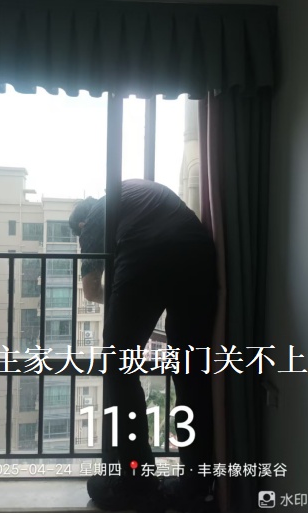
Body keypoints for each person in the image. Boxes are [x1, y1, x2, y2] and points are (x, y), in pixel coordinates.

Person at [69, 179, 217, 512]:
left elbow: (91, 290)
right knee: (190, 372)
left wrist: (127, 299)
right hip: (198, 252)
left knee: (118, 367)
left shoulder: (93, 220)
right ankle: (196, 484)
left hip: (147, 253)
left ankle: (136, 481)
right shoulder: (131, 193)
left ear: (81, 225)